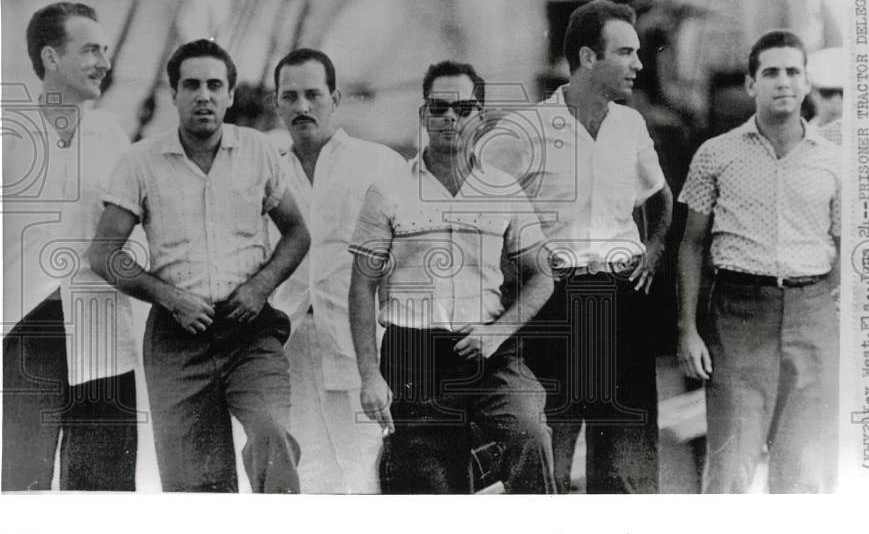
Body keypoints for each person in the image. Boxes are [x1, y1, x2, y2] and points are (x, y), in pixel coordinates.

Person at [88, 39, 310, 493]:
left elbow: (297, 233)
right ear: (174, 94)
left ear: (230, 94)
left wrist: (261, 285)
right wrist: (170, 298)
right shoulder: (140, 162)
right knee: (194, 483)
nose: (203, 96)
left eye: (215, 85)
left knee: (272, 433)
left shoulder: (258, 150)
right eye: (191, 85)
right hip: (177, 337)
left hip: (249, 329)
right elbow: (103, 254)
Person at [481, 0, 673, 493]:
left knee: (627, 462)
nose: (638, 65)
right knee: (551, 458)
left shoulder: (630, 125)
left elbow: (660, 196)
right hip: (553, 305)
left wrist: (651, 251)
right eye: (626, 52)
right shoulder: (526, 131)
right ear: (589, 57)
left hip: (622, 302)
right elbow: (479, 209)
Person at [348, 60, 556, 494]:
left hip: (489, 351)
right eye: (439, 109)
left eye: (463, 109)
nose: (450, 119)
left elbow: (542, 276)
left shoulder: (503, 188)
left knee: (529, 433)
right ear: (424, 114)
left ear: (479, 116)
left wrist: (498, 333)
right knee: (434, 489)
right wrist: (370, 375)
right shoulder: (387, 189)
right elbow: (362, 285)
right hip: (414, 356)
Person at [676, 30, 841, 494]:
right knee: (730, 471)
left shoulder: (835, 161)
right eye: (771, 72)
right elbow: (690, 244)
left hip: (812, 314)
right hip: (738, 315)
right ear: (751, 85)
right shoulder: (716, 154)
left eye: (793, 71)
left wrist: (834, 317)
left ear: (807, 82)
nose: (783, 82)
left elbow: (847, 246)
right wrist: (687, 329)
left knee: (805, 476)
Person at [2, 2, 139, 491]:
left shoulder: (113, 137)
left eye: (105, 49)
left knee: (103, 490)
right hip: (26, 329)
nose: (104, 61)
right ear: (51, 58)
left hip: (102, 329)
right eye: (90, 50)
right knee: (23, 487)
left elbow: (136, 234)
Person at [269, 48, 407, 493]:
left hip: (359, 347)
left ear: (336, 98)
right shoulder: (265, 169)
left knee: (366, 472)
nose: (302, 107)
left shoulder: (379, 163)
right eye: (290, 96)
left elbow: (405, 259)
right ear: (277, 104)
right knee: (309, 476)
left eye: (313, 94)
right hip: (288, 344)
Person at [807, 46, 844, 145]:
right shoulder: (802, 139)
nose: (836, 101)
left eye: (843, 93)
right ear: (812, 93)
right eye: (828, 93)